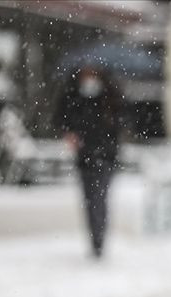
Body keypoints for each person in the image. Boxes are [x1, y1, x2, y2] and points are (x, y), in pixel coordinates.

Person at [55, 66, 122, 258]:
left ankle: (99, 240)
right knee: (90, 199)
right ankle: (95, 239)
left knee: (98, 198)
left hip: (105, 157)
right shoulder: (74, 96)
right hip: (85, 158)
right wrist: (69, 134)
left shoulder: (110, 96)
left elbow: (120, 123)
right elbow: (62, 119)